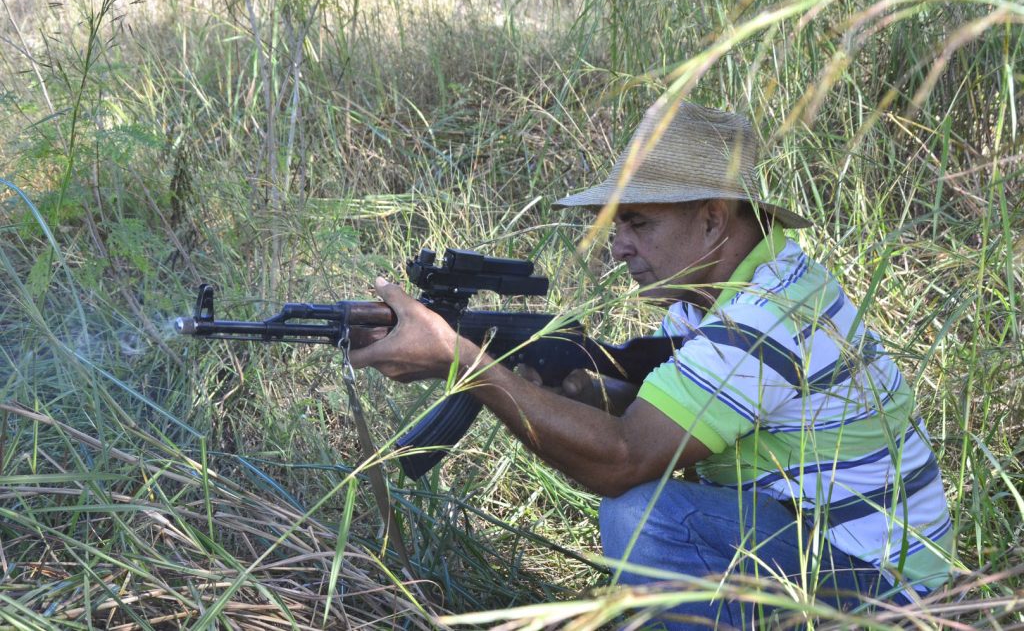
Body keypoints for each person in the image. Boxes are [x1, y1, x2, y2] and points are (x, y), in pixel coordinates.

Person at [349, 98, 954, 628]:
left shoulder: (765, 315)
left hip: (887, 594)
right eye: (616, 226)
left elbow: (624, 460)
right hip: (835, 554)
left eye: (638, 223)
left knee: (645, 517)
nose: (619, 248)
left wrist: (470, 365)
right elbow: (644, 401)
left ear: (713, 218)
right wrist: (544, 379)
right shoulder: (709, 301)